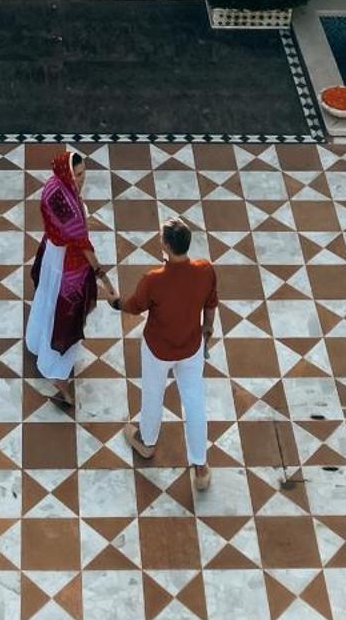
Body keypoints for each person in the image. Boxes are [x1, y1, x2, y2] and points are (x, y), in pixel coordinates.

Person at [116, 216, 218, 490]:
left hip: (158, 348)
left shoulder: (154, 279)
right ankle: (201, 467)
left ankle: (147, 441)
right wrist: (208, 328)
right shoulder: (205, 270)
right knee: (194, 402)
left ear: (165, 246)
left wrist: (117, 304)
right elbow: (211, 303)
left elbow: (135, 306)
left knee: (152, 393)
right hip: (192, 346)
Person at [24, 149, 116, 412]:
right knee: (64, 316)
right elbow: (83, 245)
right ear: (66, 173)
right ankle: (59, 377)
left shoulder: (53, 186)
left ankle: (37, 343)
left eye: (83, 173)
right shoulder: (69, 206)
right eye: (76, 175)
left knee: (47, 301)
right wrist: (104, 279)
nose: (80, 180)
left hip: (52, 254)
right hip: (67, 266)